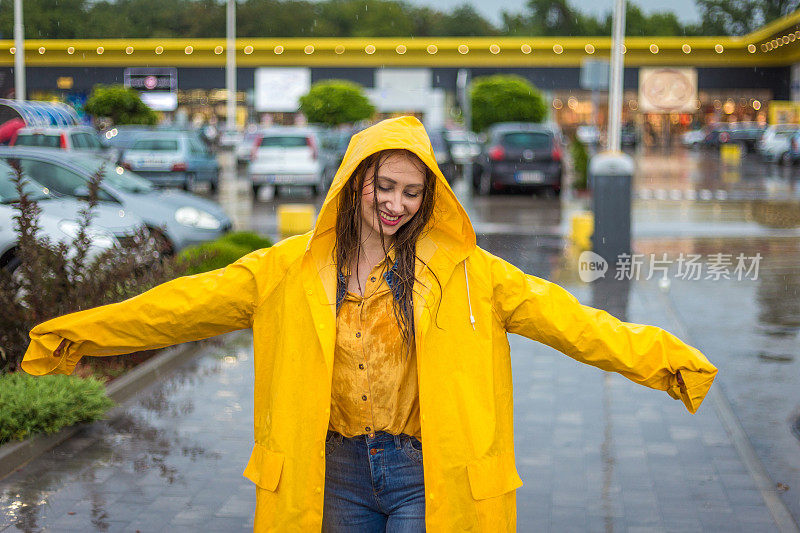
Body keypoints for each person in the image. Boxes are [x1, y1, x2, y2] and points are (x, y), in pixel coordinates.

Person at [22, 116, 717, 532]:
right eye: (384, 186)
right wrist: (74, 334)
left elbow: (571, 321)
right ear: (356, 181)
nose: (395, 204)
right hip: (335, 471)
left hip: (425, 471)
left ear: (429, 197)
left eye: (412, 193)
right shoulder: (286, 270)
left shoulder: (469, 272)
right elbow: (177, 307)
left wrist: (665, 361)